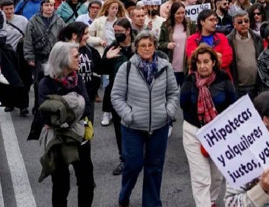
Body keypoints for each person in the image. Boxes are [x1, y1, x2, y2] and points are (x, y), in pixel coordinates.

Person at [111, 31, 179, 207]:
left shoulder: (165, 66)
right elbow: (116, 97)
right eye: (143, 45)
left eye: (150, 45)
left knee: (155, 168)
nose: (147, 48)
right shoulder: (126, 68)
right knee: (133, 164)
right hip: (132, 127)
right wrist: (128, 115)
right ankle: (124, 194)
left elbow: (173, 93)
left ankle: (152, 203)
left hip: (159, 126)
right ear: (136, 48)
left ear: (155, 46)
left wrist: (168, 112)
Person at [35, 41, 94, 206]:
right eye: (76, 56)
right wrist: (76, 107)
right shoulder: (45, 83)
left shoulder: (78, 78)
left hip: (79, 136)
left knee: (87, 182)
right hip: (58, 140)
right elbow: (46, 117)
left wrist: (62, 109)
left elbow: (87, 108)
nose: (80, 59)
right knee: (61, 185)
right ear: (63, 59)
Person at [181, 44, 238, 207]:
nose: (202, 66)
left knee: (217, 175)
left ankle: (211, 201)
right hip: (194, 132)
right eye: (198, 63)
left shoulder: (224, 78)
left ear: (213, 62)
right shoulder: (190, 80)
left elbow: (233, 104)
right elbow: (182, 104)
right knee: (201, 177)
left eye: (206, 61)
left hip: (218, 133)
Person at [96, 18, 136, 175]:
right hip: (118, 95)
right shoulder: (112, 48)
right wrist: (107, 58)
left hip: (138, 94)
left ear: (128, 31)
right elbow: (101, 70)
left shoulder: (138, 45)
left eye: (120, 31)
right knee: (120, 129)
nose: (117, 34)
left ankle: (138, 157)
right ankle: (123, 159)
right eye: (115, 31)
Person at [24, 0, 66, 114]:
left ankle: (53, 105)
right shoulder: (33, 21)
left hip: (55, 56)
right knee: (39, 83)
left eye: (51, 5)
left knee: (56, 81)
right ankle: (38, 105)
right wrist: (29, 57)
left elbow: (64, 38)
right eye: (46, 5)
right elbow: (28, 40)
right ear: (41, 7)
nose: (49, 8)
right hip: (39, 56)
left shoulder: (59, 21)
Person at [185, 9, 234, 76]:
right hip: (199, 79)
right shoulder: (192, 39)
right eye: (211, 20)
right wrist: (217, 56)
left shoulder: (222, 37)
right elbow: (193, 60)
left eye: (215, 20)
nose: (215, 23)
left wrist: (208, 64)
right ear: (202, 22)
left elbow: (228, 58)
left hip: (220, 78)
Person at [158, 1, 190, 87]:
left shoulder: (189, 25)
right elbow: (159, 44)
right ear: (173, 14)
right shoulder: (166, 26)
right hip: (171, 66)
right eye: (178, 13)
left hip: (186, 67)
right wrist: (167, 45)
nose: (181, 16)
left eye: (183, 13)